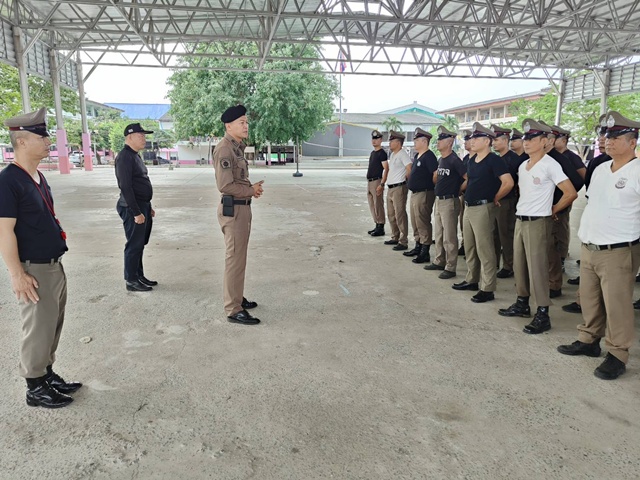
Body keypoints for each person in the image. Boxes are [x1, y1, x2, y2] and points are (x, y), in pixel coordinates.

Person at [0, 107, 82, 408]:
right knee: (37, 328)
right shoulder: (8, 181)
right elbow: (4, 231)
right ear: (21, 141)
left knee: (51, 325)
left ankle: (46, 373)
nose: (48, 142)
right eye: (42, 138)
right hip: (33, 269)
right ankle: (35, 386)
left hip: (52, 265)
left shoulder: (36, 177)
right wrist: (17, 274)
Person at [557, 111, 640, 380]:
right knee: (590, 298)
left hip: (619, 249)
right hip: (590, 245)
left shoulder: (637, 170)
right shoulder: (602, 168)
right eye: (607, 136)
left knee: (617, 305)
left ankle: (617, 353)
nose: (608, 141)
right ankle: (589, 340)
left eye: (616, 137)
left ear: (632, 142)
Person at [497, 119, 577, 334]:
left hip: (538, 222)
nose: (527, 142)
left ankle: (543, 312)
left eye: (532, 139)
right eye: (526, 138)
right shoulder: (523, 165)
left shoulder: (551, 164)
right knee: (520, 264)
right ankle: (522, 302)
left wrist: (553, 209)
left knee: (538, 268)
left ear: (544, 141)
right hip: (521, 219)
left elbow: (570, 193)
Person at [214, 105, 264, 325]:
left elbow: (238, 180)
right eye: (241, 122)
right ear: (229, 126)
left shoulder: (236, 148)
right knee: (234, 259)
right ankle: (233, 309)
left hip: (241, 208)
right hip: (233, 210)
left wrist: (251, 189)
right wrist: (250, 190)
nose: (246, 126)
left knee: (239, 258)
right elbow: (225, 185)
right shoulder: (225, 149)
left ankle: (237, 297)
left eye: (246, 122)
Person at [452, 123, 514, 303]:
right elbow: (471, 182)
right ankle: (472, 279)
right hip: (469, 207)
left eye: (476, 138)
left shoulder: (494, 160)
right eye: (472, 138)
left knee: (485, 248)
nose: (472, 141)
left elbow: (508, 182)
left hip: (483, 208)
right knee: (470, 246)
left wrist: (496, 197)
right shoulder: (472, 160)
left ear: (487, 141)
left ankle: (487, 288)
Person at [563, 115, 610, 312]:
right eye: (601, 135)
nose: (602, 139)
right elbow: (588, 185)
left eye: (608, 135)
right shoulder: (597, 162)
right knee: (589, 254)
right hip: (594, 211)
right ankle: (584, 299)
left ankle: (596, 303)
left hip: (613, 219)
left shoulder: (631, 166)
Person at [539, 121, 584, 299]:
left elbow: (578, 182)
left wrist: (561, 201)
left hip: (555, 208)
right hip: (541, 209)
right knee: (543, 247)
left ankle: (554, 284)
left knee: (553, 248)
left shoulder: (561, 159)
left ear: (550, 141)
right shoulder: (540, 158)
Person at [114, 123, 157, 292]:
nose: (144, 139)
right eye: (141, 136)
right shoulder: (124, 157)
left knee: (140, 243)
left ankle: (139, 275)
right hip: (132, 208)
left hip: (142, 205)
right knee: (134, 244)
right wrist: (136, 212)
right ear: (129, 137)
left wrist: (148, 206)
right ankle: (131, 280)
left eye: (144, 136)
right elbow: (125, 186)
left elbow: (140, 182)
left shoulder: (135, 156)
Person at [425, 126, 467, 279]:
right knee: (439, 234)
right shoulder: (441, 159)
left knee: (449, 236)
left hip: (450, 200)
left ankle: (450, 266)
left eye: (441, 140)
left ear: (449, 142)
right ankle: (439, 260)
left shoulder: (455, 160)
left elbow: (467, 178)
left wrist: (459, 190)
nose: (438, 142)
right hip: (439, 200)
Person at [491, 124, 526, 279]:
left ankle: (509, 265)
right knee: (495, 234)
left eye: (496, 140)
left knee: (506, 234)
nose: (493, 143)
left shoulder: (515, 160)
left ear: (505, 141)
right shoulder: (498, 159)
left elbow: (517, 183)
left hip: (507, 201)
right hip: (496, 200)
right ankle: (494, 262)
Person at [404, 128, 438, 263]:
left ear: (424, 141)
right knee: (415, 221)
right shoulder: (418, 155)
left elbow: (435, 174)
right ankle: (418, 245)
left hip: (424, 193)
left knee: (422, 221)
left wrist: (431, 185)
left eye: (417, 140)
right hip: (415, 193)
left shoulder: (429, 156)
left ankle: (425, 250)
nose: (414, 142)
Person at [381, 131, 412, 250]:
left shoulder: (403, 154)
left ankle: (403, 241)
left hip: (399, 187)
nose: (389, 143)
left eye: (392, 141)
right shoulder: (393, 154)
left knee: (400, 214)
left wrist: (406, 179)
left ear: (398, 143)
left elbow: (409, 168)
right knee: (391, 214)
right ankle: (395, 236)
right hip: (391, 187)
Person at [366, 130, 387, 237]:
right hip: (370, 181)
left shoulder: (382, 153)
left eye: (376, 139)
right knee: (372, 204)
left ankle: (381, 226)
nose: (374, 141)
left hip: (377, 181)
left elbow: (386, 169)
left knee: (378, 204)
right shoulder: (373, 153)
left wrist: (382, 184)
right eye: (373, 139)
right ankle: (377, 223)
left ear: (381, 140)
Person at [458, 130, 473, 256]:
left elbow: (469, 178)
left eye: (468, 140)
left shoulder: (480, 158)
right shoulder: (466, 158)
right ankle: (465, 244)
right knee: (463, 222)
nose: (465, 142)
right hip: (464, 195)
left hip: (475, 196)